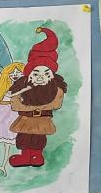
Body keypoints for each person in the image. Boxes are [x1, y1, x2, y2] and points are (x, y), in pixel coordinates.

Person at [8, 27, 67, 168]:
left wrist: (29, 107)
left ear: (52, 75)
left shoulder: (56, 87)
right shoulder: (21, 85)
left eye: (46, 73)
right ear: (29, 74)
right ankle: (25, 157)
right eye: (36, 73)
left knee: (38, 139)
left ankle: (36, 156)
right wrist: (30, 106)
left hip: (42, 120)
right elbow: (15, 104)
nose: (40, 77)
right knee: (23, 138)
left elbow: (56, 104)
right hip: (25, 119)